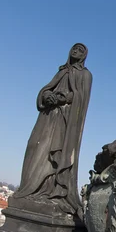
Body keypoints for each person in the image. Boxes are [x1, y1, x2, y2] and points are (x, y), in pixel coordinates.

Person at [13, 43, 92, 215]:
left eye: (80, 50)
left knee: (51, 154)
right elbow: (48, 87)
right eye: (74, 49)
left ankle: (50, 191)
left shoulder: (85, 75)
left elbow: (82, 99)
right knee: (33, 146)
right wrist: (46, 94)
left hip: (64, 121)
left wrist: (64, 98)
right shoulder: (62, 71)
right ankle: (29, 189)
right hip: (47, 117)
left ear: (84, 55)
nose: (75, 52)